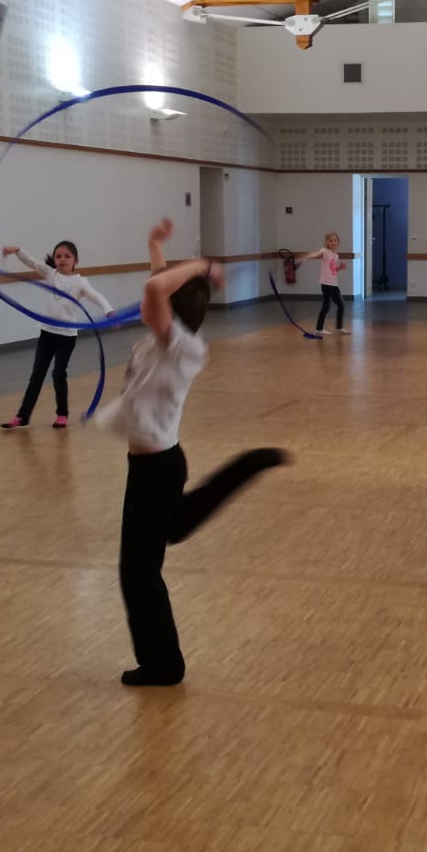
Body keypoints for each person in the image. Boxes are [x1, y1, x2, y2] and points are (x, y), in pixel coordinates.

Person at [96, 218, 288, 686]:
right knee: (172, 529)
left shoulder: (176, 345)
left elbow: (157, 290)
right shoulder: (164, 338)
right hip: (154, 465)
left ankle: (164, 664)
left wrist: (203, 264)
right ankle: (250, 464)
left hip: (156, 468)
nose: (144, 300)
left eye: (152, 301)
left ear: (169, 313)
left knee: (138, 574)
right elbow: (160, 287)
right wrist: (155, 245)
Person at [0, 240, 114, 430]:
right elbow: (32, 262)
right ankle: (22, 416)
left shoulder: (80, 282)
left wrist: (109, 311)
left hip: (67, 337)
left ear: (75, 260)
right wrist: (17, 250)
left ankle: (62, 414)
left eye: (67, 256)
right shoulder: (50, 274)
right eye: (58, 256)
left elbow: (96, 296)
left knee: (58, 374)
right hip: (47, 334)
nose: (62, 259)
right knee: (37, 375)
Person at [301, 231, 357, 334]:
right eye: (331, 240)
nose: (333, 242)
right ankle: (319, 329)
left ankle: (339, 327)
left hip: (334, 284)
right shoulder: (325, 251)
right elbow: (316, 254)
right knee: (326, 306)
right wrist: (306, 257)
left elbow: (333, 268)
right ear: (327, 242)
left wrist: (339, 268)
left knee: (341, 304)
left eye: (335, 240)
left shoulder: (335, 255)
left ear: (338, 242)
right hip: (326, 284)